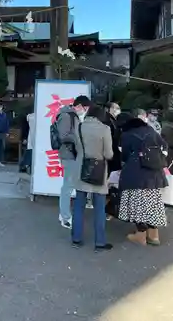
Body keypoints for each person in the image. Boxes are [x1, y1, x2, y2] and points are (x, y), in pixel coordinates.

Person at [118, 111, 168, 246]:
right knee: (152, 205)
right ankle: (154, 236)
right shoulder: (150, 130)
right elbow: (164, 146)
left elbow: (125, 155)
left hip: (137, 175)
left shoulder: (127, 135)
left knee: (137, 206)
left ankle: (140, 235)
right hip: (154, 173)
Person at [71, 105, 114, 251]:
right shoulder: (105, 129)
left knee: (78, 206)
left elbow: (77, 148)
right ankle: (99, 242)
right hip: (98, 172)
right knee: (99, 208)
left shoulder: (80, 127)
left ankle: (76, 239)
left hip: (81, 169)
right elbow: (108, 154)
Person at [56, 95, 91, 229]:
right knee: (68, 186)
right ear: (79, 106)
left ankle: (63, 214)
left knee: (70, 185)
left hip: (74, 154)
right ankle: (65, 217)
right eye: (85, 108)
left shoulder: (73, 116)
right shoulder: (66, 116)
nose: (86, 111)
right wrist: (78, 137)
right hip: (69, 154)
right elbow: (63, 135)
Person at [104, 102, 122, 173]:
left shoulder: (114, 120)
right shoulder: (108, 121)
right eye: (115, 108)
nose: (117, 110)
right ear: (108, 109)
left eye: (118, 108)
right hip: (112, 152)